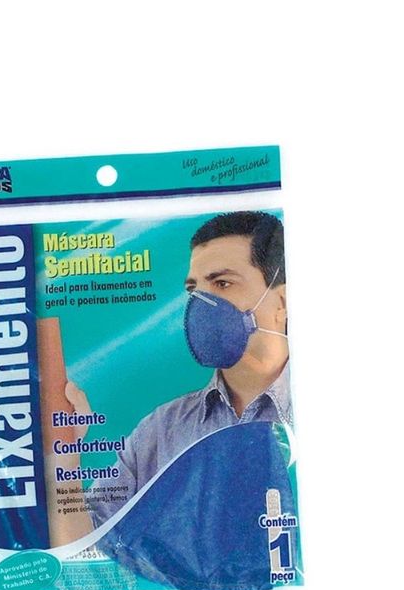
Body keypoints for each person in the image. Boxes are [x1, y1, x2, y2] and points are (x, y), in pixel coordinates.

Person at [54, 210, 291, 536]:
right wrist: (64, 460)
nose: (202, 304)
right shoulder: (159, 434)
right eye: (194, 289)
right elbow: (89, 550)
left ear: (283, 302)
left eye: (223, 283)